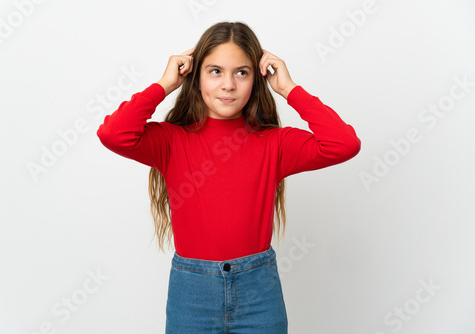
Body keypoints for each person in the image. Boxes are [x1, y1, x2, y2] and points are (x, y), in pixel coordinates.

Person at [97, 21, 361, 334]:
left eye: (241, 72)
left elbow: (343, 144)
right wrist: (165, 84)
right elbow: (114, 134)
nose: (228, 85)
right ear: (195, 78)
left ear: (256, 79)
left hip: (259, 295)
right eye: (215, 71)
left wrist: (290, 89)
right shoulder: (170, 141)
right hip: (191, 296)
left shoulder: (274, 143)